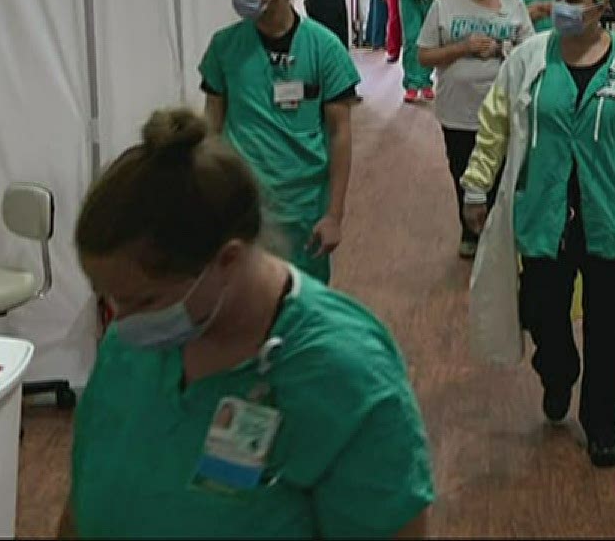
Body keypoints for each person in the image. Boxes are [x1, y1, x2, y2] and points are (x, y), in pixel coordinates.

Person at [64, 108, 433, 539]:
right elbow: (86, 493)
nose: (120, 322)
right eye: (110, 299)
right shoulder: (134, 346)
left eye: (142, 300)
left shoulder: (342, 375)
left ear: (226, 261)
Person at [460, 0, 615, 470]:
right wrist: (477, 186)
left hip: (612, 213)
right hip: (545, 213)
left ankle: (604, 423)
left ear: (598, 9)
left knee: (610, 329)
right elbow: (495, 123)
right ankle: (557, 372)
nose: (561, 6)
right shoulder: (529, 59)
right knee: (544, 315)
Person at [200, 0, 360, 286]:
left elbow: (340, 134)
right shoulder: (225, 47)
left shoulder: (324, 48)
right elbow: (211, 124)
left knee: (299, 303)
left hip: (303, 207)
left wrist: (334, 214)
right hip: (240, 203)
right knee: (240, 301)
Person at [417, 0, 533, 258]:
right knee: (464, 171)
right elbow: (425, 55)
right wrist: (463, 47)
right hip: (458, 110)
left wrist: (499, 48)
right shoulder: (444, 5)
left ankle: (500, 233)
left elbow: (530, 52)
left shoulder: (513, 4)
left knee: (503, 171)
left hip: (504, 107)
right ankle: (471, 231)